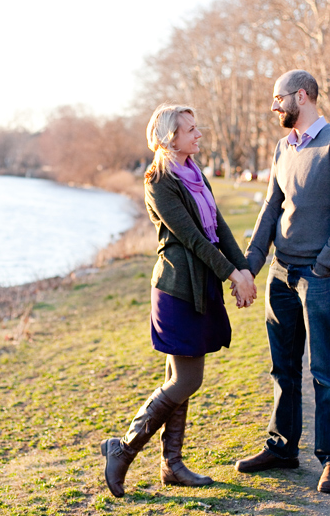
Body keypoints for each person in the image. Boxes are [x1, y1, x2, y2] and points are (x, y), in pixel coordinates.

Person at [100, 103, 257, 498]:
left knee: (177, 381)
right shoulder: (159, 180)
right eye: (191, 129)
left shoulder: (195, 173)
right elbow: (192, 238)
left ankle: (172, 465)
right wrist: (231, 275)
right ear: (171, 136)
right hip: (176, 289)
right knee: (188, 379)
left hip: (199, 286)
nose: (198, 134)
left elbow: (218, 227)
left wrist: (244, 270)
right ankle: (123, 448)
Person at [234, 70, 330, 494]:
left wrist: (326, 264)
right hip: (280, 274)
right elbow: (270, 210)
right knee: (283, 367)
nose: (274, 106)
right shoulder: (282, 148)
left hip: (320, 277)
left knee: (327, 369)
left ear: (302, 96)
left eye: (279, 98)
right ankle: (282, 448)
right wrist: (250, 267)